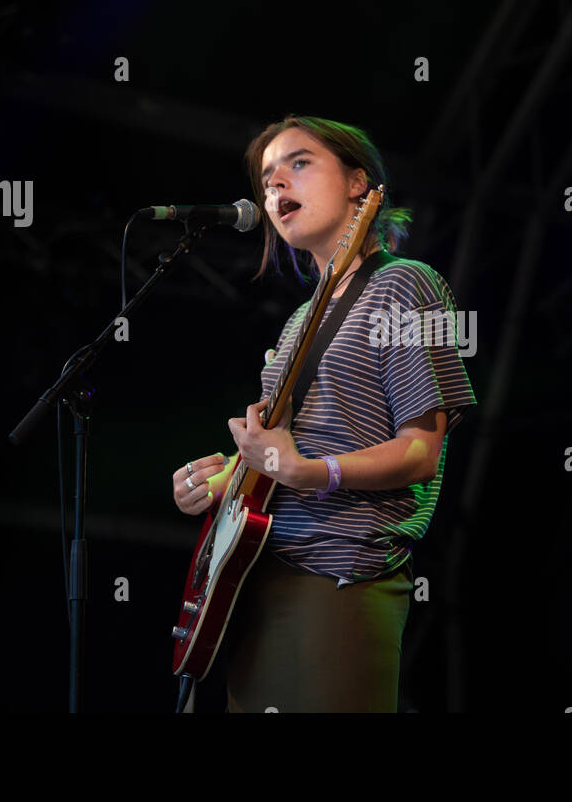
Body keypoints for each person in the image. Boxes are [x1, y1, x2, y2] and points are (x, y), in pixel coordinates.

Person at [170, 115, 476, 712]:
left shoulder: (409, 286)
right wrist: (221, 476)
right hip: (257, 579)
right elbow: (284, 452)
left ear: (360, 181)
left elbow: (420, 452)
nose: (276, 185)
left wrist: (309, 472)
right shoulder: (294, 325)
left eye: (298, 163)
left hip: (340, 578)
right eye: (266, 179)